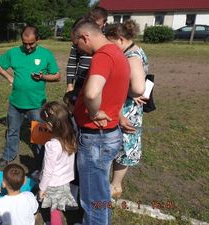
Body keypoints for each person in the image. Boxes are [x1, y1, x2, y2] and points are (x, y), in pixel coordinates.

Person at [71, 20, 130, 225]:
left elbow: (92, 92)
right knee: (100, 188)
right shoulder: (117, 52)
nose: (78, 49)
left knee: (92, 195)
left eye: (77, 44)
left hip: (96, 138)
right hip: (108, 135)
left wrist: (94, 112)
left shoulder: (102, 56)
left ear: (85, 37)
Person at [0, 25, 60, 168]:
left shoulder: (46, 54)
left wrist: (43, 76)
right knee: (12, 131)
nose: (28, 47)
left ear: (38, 40)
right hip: (15, 103)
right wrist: (9, 77)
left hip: (36, 103)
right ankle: (8, 156)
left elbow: (57, 76)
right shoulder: (14, 52)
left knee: (39, 134)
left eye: (31, 44)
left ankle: (41, 160)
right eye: (25, 43)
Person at [105, 20, 148, 198]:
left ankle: (114, 186)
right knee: (123, 148)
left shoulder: (131, 57)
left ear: (120, 39)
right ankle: (115, 185)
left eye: (111, 41)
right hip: (129, 109)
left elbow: (138, 88)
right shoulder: (135, 50)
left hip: (127, 109)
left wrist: (128, 91)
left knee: (122, 148)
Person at [38, 101, 78, 225]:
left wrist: (42, 188)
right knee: (58, 206)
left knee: (54, 210)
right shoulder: (70, 137)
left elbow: (48, 170)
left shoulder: (52, 145)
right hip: (65, 180)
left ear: (50, 124)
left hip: (53, 183)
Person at [66, 7, 108, 94]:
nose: (96, 27)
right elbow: (72, 61)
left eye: (98, 25)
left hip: (98, 81)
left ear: (104, 22)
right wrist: (70, 84)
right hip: (81, 80)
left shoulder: (107, 39)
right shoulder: (80, 38)